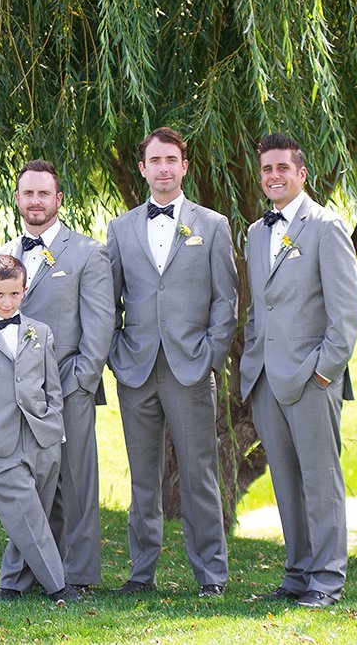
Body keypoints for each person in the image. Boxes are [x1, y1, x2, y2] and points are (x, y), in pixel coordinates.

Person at [105, 127, 237, 596]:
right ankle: (141, 574)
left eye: (171, 160)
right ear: (142, 169)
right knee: (144, 479)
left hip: (190, 368)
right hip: (136, 370)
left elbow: (226, 301)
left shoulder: (212, 225)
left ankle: (211, 577)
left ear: (184, 166)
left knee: (200, 476)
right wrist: (117, 355)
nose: (163, 168)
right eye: (154, 160)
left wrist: (210, 357)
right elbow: (109, 300)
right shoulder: (120, 229)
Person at [241, 133, 357, 608]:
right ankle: (297, 574)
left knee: (320, 478)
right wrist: (253, 362)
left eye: (283, 169)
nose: (274, 176)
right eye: (267, 169)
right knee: (287, 482)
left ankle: (327, 579)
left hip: (312, 378)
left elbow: (346, 312)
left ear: (301, 174)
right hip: (267, 379)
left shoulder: (326, 227)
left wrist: (325, 373)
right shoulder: (255, 233)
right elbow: (258, 308)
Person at [0, 159, 113, 590]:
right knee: (33, 483)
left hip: (70, 386)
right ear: (18, 199)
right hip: (20, 394)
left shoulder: (87, 252)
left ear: (58, 200)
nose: (36, 201)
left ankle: (79, 574)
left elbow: (99, 326)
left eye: (44, 193)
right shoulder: (1, 254)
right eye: (28, 193)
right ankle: (36, 572)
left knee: (77, 483)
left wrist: (80, 381)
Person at [0, 255, 80, 605]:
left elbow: (52, 387)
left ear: (24, 290)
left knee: (30, 516)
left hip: (42, 438)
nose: (7, 302)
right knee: (28, 516)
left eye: (14, 294)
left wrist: (55, 427)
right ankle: (59, 586)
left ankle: (12, 583)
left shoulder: (40, 332)